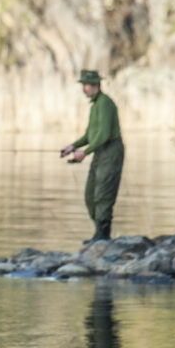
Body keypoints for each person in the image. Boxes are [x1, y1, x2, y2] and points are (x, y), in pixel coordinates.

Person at [59, 69, 125, 244]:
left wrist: (85, 153)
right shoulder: (95, 105)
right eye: (83, 85)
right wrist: (72, 146)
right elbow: (90, 135)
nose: (84, 89)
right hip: (100, 151)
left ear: (96, 85)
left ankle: (103, 237)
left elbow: (103, 135)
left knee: (103, 195)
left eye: (86, 85)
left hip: (111, 151)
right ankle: (98, 233)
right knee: (90, 195)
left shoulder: (105, 103)